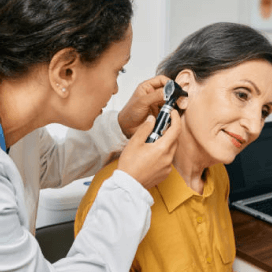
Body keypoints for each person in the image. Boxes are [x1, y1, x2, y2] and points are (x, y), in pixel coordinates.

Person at [74, 22, 272, 272]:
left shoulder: (218, 176)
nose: (255, 126)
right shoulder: (115, 196)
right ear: (185, 87)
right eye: (242, 95)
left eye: (265, 111)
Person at [0, 0, 182, 271]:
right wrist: (130, 186)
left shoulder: (20, 131)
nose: (116, 89)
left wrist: (120, 126)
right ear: (65, 70)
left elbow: (46, 162)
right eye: (118, 70)